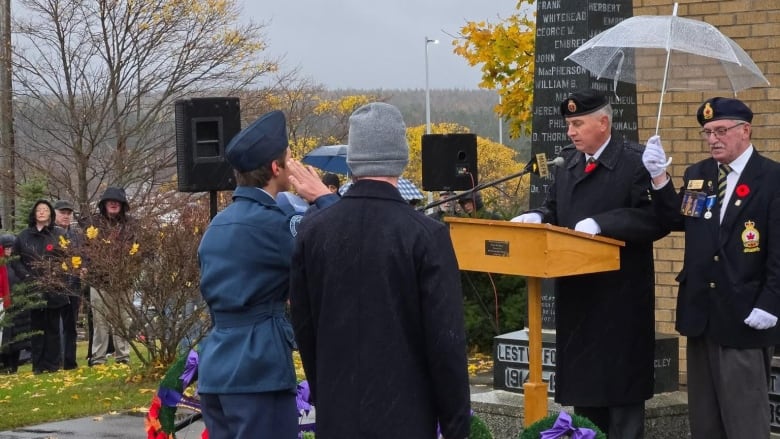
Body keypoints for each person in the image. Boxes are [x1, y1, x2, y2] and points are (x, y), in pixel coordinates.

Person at [289, 102, 471, 439]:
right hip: (404, 416)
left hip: (338, 414)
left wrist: (327, 393)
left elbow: (305, 328)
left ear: (352, 160)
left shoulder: (313, 231)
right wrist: (457, 426)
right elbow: (446, 342)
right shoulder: (426, 235)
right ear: (400, 158)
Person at [511, 89, 668, 438]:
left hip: (619, 303)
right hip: (578, 301)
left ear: (603, 122)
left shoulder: (634, 161)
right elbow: (555, 208)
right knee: (587, 409)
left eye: (578, 123)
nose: (571, 131)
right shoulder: (568, 163)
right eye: (568, 124)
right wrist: (537, 215)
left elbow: (653, 219)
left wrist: (603, 223)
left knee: (622, 407)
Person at [641, 97, 780, 438]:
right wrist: (659, 178)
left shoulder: (772, 177)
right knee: (705, 422)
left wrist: (771, 302)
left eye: (721, 131)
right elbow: (677, 220)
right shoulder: (699, 174)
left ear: (745, 130)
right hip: (701, 312)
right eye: (707, 133)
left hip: (745, 314)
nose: (713, 139)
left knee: (745, 421)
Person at [197, 110, 338, 439]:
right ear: (276, 169)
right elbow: (337, 247)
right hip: (257, 372)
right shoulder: (273, 224)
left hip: (216, 370)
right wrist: (326, 199)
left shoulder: (218, 224)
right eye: (288, 159)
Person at [14, 200, 69, 374]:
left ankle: (53, 364)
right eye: (39, 210)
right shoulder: (24, 236)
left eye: (45, 209)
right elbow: (16, 260)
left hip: (53, 286)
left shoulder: (58, 234)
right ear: (34, 213)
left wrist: (57, 274)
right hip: (33, 287)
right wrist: (27, 276)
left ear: (51, 214)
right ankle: (38, 365)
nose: (42, 212)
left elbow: (67, 257)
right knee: (36, 328)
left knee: (53, 327)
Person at [81, 187, 133, 366]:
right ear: (103, 204)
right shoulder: (92, 224)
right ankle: (98, 359)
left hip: (124, 280)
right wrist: (86, 267)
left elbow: (141, 249)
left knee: (123, 322)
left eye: (117, 201)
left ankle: (123, 358)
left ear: (122, 205)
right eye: (109, 201)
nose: (113, 204)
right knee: (100, 322)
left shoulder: (131, 225)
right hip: (99, 280)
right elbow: (84, 250)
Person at [54, 199, 82, 370]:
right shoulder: (50, 234)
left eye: (68, 213)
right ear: (55, 214)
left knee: (71, 326)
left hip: (73, 285)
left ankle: (70, 361)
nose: (65, 216)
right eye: (62, 213)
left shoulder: (76, 236)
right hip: (56, 286)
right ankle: (56, 359)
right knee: (56, 326)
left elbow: (83, 256)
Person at [0, 234, 30, 374]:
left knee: (17, 341)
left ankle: (13, 366)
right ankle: (4, 365)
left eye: (11, 247)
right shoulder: (2, 265)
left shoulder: (18, 264)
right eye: (6, 248)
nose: (9, 250)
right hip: (4, 307)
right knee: (4, 339)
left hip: (19, 307)